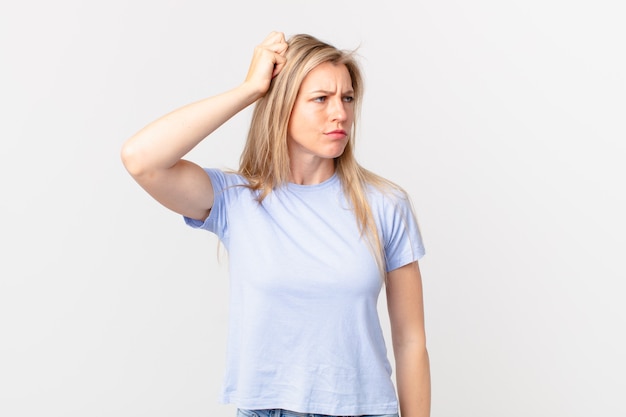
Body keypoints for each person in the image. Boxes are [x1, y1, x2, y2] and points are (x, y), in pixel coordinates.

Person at [121, 31, 430, 417]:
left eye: (347, 98)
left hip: (364, 409)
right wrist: (250, 89)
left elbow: (410, 341)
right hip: (267, 409)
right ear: (282, 105)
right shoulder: (237, 198)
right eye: (321, 99)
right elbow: (141, 158)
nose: (341, 113)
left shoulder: (385, 204)